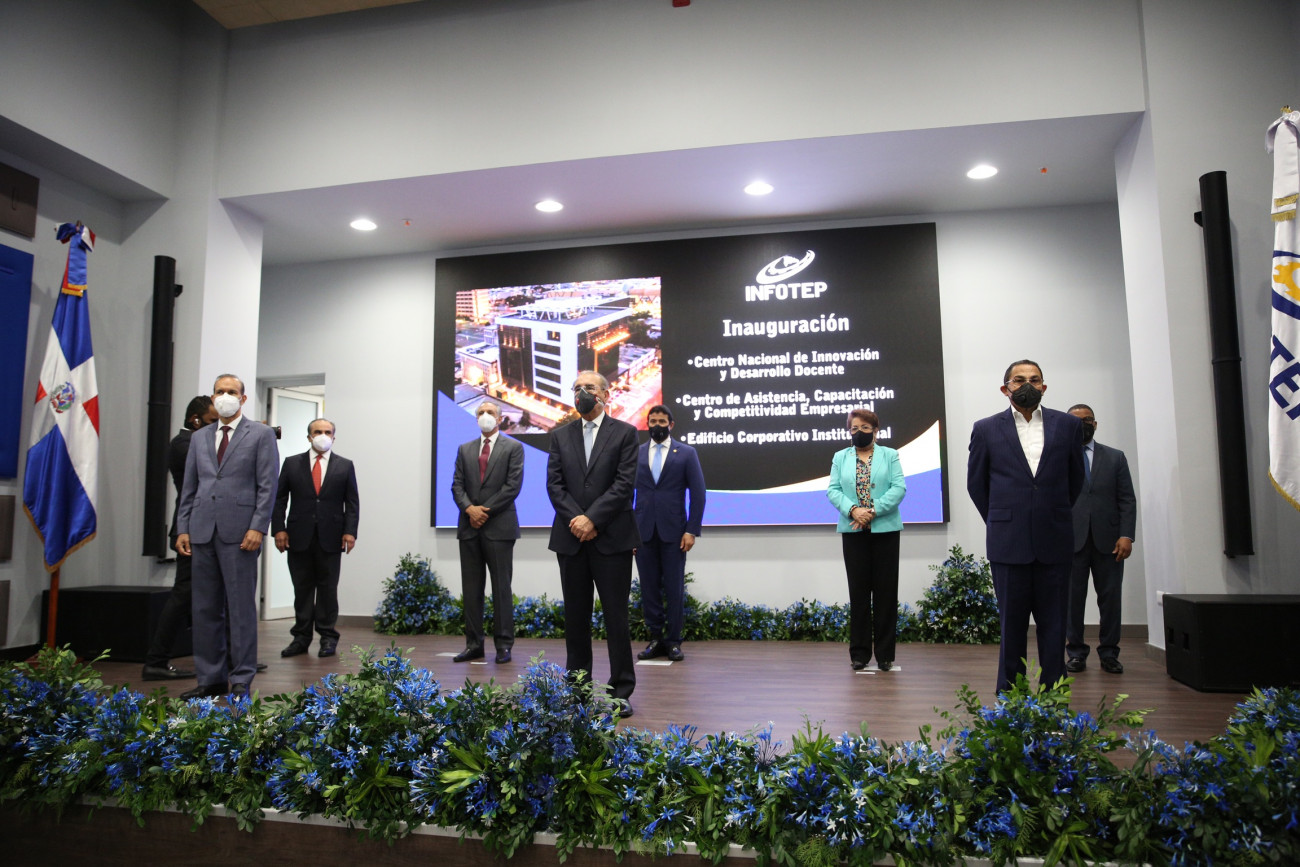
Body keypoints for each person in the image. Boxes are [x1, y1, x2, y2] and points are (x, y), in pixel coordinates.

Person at [967, 360, 1084, 694]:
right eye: (1019, 380)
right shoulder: (986, 428)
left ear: (1044, 387)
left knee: (1055, 625)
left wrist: (1050, 513)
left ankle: (1053, 696)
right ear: (1005, 388)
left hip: (1055, 540)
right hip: (1008, 543)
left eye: (1034, 379)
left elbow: (1076, 480)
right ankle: (1011, 697)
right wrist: (1002, 519)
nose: (1027, 385)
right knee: (1011, 627)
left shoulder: (1068, 426)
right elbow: (977, 485)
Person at [175, 374, 279, 700]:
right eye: (220, 391)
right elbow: (189, 487)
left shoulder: (260, 434)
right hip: (202, 530)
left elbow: (268, 486)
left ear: (243, 399)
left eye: (231, 391)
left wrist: (258, 526)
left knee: (240, 609)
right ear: (212, 397)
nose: (225, 396)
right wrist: (183, 527)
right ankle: (211, 679)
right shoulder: (199, 437)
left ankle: (241, 678)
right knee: (204, 609)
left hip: (241, 533)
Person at [547, 370, 640, 717]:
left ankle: (621, 692)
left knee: (616, 618)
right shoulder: (560, 436)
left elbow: (624, 484)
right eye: (576, 388)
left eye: (588, 387)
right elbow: (555, 485)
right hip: (571, 539)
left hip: (612, 539)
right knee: (575, 618)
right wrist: (578, 520)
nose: (582, 393)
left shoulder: (625, 433)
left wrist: (593, 519)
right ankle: (578, 691)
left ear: (605, 394)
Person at [141, 395, 217, 681]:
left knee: (213, 596)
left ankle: (232, 657)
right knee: (182, 595)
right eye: (212, 421)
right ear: (195, 420)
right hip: (192, 528)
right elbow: (210, 470)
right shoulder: (184, 444)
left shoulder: (197, 441)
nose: (217, 427)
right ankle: (156, 660)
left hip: (206, 527)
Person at [271, 418, 360, 659]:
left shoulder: (344, 465)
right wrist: (278, 529)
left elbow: (352, 502)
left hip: (331, 537)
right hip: (298, 536)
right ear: (309, 437)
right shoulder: (292, 463)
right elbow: (279, 499)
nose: (323, 435)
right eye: (317, 431)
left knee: (328, 589)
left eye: (327, 432)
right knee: (302, 589)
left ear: (334, 437)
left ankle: (328, 637)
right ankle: (300, 638)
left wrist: (350, 532)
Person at [827, 408, 907, 671]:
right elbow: (833, 490)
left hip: (885, 531)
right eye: (854, 428)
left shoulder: (890, 455)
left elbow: (899, 488)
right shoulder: (840, 457)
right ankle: (859, 654)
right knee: (858, 594)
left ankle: (885, 655)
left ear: (875, 430)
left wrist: (872, 511)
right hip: (853, 532)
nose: (858, 432)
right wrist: (854, 510)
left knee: (886, 593)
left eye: (864, 428)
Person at [1064, 404, 1136, 674]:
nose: (1083, 425)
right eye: (1076, 421)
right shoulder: (1058, 457)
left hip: (1110, 542)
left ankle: (1109, 653)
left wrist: (1126, 535)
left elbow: (1127, 499)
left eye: (1087, 420)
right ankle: (1075, 653)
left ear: (1095, 424)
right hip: (1071, 541)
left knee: (1110, 600)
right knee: (1072, 601)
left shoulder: (1115, 457)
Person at [450, 402, 524, 664]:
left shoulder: (513, 447)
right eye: (480, 413)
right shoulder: (464, 449)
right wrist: (470, 509)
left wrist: (484, 512)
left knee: (501, 588)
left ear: (500, 418)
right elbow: (457, 485)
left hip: (499, 528)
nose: (485, 416)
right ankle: (474, 645)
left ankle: (503, 645)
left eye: (490, 413)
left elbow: (512, 487)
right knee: (471, 589)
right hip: (469, 527)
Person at [633, 404, 706, 662]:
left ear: (671, 425)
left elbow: (698, 494)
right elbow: (626, 495)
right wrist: (628, 533)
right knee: (649, 588)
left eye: (662, 422)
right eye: (652, 421)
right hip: (642, 532)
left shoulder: (686, 453)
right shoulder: (636, 453)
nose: (657, 426)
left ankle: (674, 641)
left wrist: (692, 530)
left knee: (674, 589)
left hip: (675, 533)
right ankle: (655, 639)